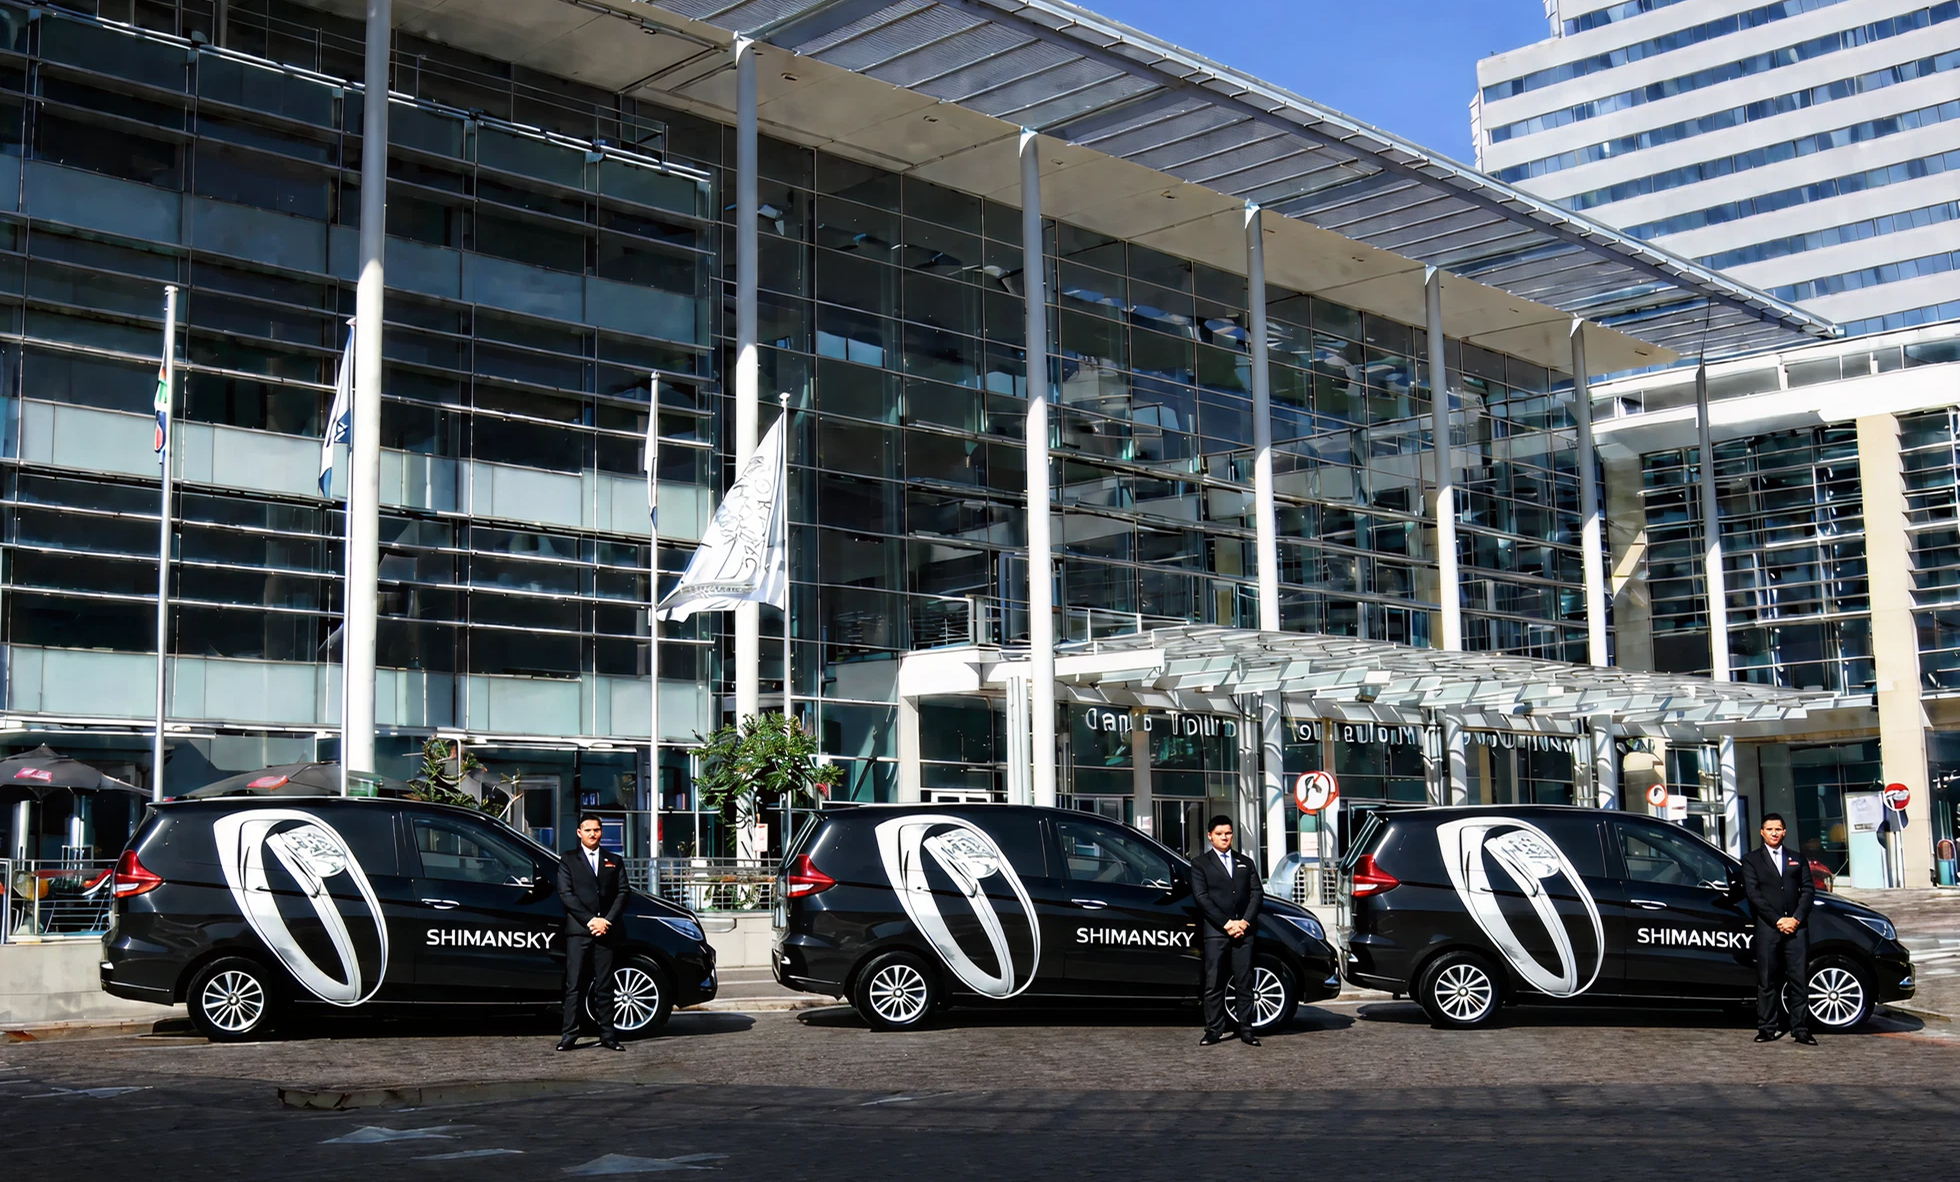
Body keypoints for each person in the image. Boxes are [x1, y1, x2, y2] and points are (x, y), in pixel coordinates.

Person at [1740, 812, 1816, 1045]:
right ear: (1762, 832)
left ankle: (1801, 1028)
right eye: (1770, 829)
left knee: (1799, 979)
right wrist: (1777, 920)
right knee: (1767, 979)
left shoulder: (1797, 858)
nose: (1774, 832)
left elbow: (1808, 890)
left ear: (1785, 832)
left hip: (1797, 927)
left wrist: (1795, 918)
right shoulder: (1751, 860)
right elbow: (1754, 895)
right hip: (1768, 928)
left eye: (1778, 829)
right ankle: (1766, 1028)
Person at [1190, 815, 1263, 1047]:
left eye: (1228, 833)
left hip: (1244, 931)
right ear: (1210, 835)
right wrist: (1227, 923)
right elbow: (1202, 898)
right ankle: (1213, 1030)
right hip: (1216, 932)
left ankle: (1246, 1029)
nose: (1225, 837)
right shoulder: (1200, 863)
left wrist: (1244, 922)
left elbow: (1256, 893)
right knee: (1214, 983)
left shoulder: (1245, 862)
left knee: (1244, 981)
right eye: (1220, 833)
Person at [556, 813, 627, 1051]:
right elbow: (567, 895)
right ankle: (569, 1035)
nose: (592, 834)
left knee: (605, 986)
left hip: (606, 932)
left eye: (596, 830)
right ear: (579, 833)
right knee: (574, 985)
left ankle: (608, 1035)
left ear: (601, 832)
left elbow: (623, 893)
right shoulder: (568, 860)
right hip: (579, 931)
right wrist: (591, 921)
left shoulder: (614, 860)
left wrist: (606, 921)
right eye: (588, 830)